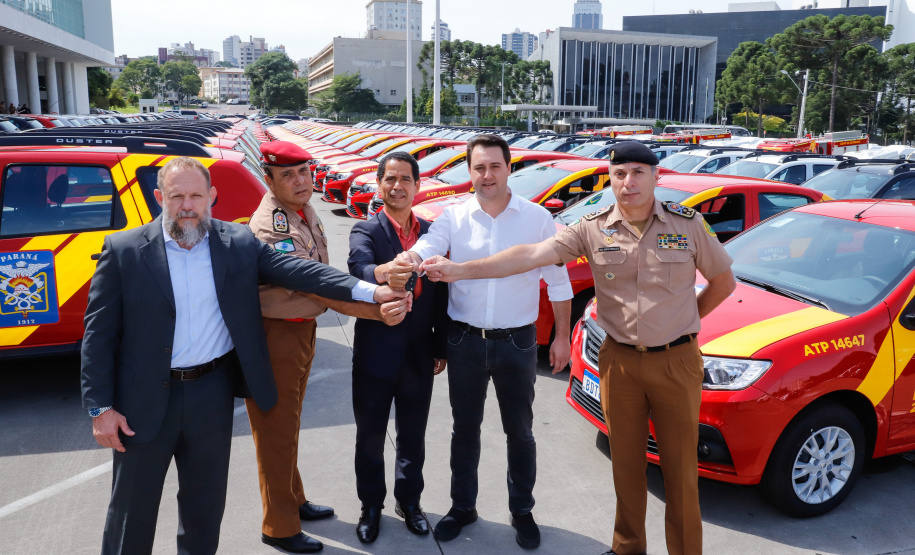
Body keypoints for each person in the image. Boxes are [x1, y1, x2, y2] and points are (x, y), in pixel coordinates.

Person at [420, 140, 737, 555]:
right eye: (620, 174)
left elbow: (723, 283)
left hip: (676, 362)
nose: (629, 182)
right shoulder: (592, 227)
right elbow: (531, 255)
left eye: (639, 172)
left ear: (656, 177)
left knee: (679, 473)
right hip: (619, 362)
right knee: (625, 465)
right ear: (611, 178)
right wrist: (461, 270)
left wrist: (682, 324)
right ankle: (627, 547)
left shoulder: (688, 224)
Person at [81, 156, 408, 555]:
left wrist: (371, 292)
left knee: (204, 507)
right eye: (176, 195)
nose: (187, 205)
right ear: (158, 197)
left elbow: (302, 272)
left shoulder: (236, 243)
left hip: (210, 394)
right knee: (132, 511)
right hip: (143, 402)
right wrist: (101, 408)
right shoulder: (124, 250)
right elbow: (97, 336)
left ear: (212, 197)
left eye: (196, 195)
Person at [396, 134, 574, 549]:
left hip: (517, 342)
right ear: (470, 171)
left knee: (521, 431)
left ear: (509, 168)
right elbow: (427, 247)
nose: (487, 175)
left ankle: (522, 511)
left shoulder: (537, 219)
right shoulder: (454, 217)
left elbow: (559, 283)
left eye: (495, 166)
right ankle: (463, 507)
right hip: (465, 341)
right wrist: (408, 261)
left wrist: (562, 336)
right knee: (464, 429)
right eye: (479, 167)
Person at [245, 141, 412, 553]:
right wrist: (376, 308)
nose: (300, 181)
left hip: (300, 332)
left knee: (288, 427)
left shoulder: (301, 209)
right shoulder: (272, 225)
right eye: (288, 175)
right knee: (275, 433)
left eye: (303, 171)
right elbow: (313, 283)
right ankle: (279, 526)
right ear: (269, 179)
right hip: (275, 334)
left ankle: (294, 499)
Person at [347, 151, 450, 543]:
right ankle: (371, 505)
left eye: (405, 179)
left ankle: (410, 502)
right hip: (376, 352)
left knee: (413, 435)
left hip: (420, 354)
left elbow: (441, 295)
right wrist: (382, 272)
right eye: (390, 179)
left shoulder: (432, 233)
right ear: (379, 185)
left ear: (417, 186)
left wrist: (441, 345)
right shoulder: (366, 230)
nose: (397, 186)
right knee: (370, 435)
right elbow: (358, 268)